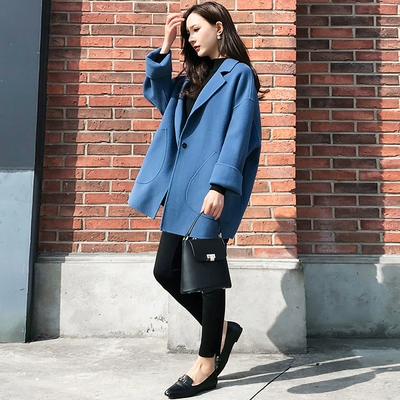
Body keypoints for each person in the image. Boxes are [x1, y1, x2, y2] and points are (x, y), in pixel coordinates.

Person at [128, 2, 262, 398]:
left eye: (195, 29)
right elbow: (158, 96)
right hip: (180, 184)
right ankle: (221, 332)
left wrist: (220, 186)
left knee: (206, 274)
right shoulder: (191, 76)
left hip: (209, 186)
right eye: (187, 32)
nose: (191, 37)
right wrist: (165, 47)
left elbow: (239, 134)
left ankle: (206, 364)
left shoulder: (238, 74)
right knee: (164, 269)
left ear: (219, 28)